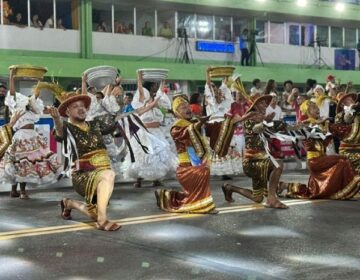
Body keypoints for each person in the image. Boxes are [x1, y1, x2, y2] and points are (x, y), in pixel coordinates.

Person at [155, 97, 243, 214]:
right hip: (185, 167)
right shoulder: (176, 127)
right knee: (203, 171)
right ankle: (204, 206)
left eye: (187, 106)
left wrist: (232, 121)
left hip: (197, 163)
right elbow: (185, 133)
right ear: (176, 112)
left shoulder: (194, 122)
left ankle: (168, 197)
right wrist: (199, 123)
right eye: (183, 107)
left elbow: (213, 128)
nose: (187, 109)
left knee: (199, 179)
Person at [49, 91, 121, 231]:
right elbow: (59, 132)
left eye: (83, 106)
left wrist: (114, 96)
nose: (81, 108)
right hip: (83, 175)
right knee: (109, 174)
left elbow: (117, 120)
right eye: (76, 106)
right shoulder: (67, 128)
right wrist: (57, 120)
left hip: (102, 176)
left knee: (94, 212)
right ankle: (102, 221)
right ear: (67, 111)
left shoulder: (95, 124)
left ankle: (69, 203)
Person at [281, 100, 360, 199]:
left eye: (317, 107)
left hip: (322, 159)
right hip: (315, 161)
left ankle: (286, 186)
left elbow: (339, 129)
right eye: (313, 108)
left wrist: (349, 114)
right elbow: (307, 130)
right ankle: (345, 189)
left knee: (314, 190)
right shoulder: (306, 124)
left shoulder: (323, 124)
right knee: (342, 160)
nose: (317, 109)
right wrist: (319, 123)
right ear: (308, 112)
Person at [222, 94, 290, 209]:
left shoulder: (264, 119)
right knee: (277, 165)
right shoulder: (249, 118)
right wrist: (265, 123)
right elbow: (255, 129)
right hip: (251, 162)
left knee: (257, 198)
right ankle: (272, 199)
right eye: (261, 103)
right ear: (255, 105)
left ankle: (230, 188)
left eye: (265, 103)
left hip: (262, 159)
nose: (265, 105)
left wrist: (300, 127)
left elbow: (282, 126)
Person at [2, 69, 61, 199]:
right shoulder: (17, 107)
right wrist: (12, 76)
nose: (29, 99)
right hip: (21, 136)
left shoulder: (33, 108)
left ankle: (20, 191)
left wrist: (40, 79)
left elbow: (37, 93)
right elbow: (12, 93)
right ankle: (15, 190)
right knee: (19, 163)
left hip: (32, 136)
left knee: (27, 164)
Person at [126, 70, 177, 188]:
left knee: (159, 155)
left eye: (156, 85)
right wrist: (139, 78)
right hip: (145, 132)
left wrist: (163, 81)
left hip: (157, 132)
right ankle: (139, 179)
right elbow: (140, 90)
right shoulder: (142, 100)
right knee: (143, 156)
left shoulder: (158, 100)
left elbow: (161, 94)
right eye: (154, 85)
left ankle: (157, 178)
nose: (155, 87)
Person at [331, 92, 360, 174]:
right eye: (347, 100)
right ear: (342, 105)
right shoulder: (339, 115)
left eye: (351, 99)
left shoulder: (358, 112)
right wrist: (350, 109)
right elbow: (347, 119)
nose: (351, 101)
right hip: (348, 149)